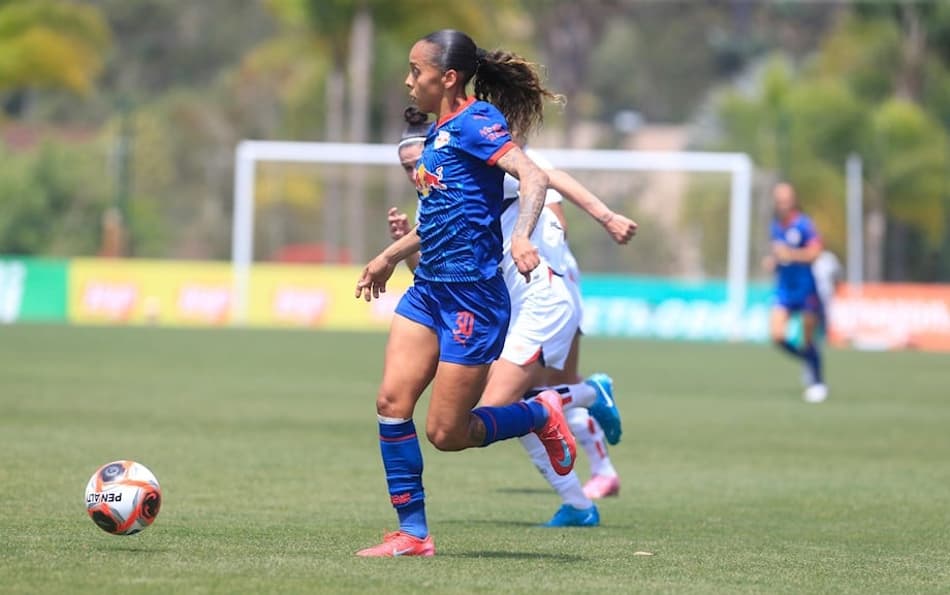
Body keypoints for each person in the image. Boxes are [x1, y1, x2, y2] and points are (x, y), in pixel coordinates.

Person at [354, 29, 572, 558]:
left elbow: (534, 177)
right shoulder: (438, 133)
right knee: (390, 401)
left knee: (449, 433)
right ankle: (413, 534)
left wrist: (520, 235)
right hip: (428, 290)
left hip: (474, 299)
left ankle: (540, 413)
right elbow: (444, 216)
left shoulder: (478, 123)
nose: (409, 80)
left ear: (447, 77)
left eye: (416, 71)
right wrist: (388, 256)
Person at [387, 108, 637, 527]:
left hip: (543, 298)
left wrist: (605, 216)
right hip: (502, 308)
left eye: (417, 162)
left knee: (494, 409)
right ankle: (578, 505)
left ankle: (591, 393)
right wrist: (404, 247)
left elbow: (547, 176)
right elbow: (429, 273)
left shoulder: (483, 167)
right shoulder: (439, 198)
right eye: (406, 167)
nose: (415, 172)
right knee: (508, 413)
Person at [763, 182, 827, 403]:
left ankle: (817, 381)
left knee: (809, 337)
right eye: (778, 199)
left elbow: (816, 253)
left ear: (793, 200)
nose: (782, 204)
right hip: (784, 289)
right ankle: (806, 361)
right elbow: (779, 255)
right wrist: (773, 262)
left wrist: (791, 254)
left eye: (785, 199)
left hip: (806, 288)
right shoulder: (775, 226)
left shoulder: (804, 224)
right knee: (777, 336)